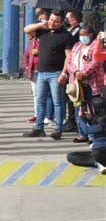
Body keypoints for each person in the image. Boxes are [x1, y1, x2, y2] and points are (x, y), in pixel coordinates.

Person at [23, 10, 74, 140]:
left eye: (56, 21)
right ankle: (39, 128)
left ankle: (58, 129)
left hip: (56, 73)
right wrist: (42, 24)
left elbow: (69, 57)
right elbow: (26, 29)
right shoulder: (43, 31)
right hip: (41, 72)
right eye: (51, 20)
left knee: (58, 102)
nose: (53, 23)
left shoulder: (66, 36)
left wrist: (64, 73)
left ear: (62, 22)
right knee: (40, 101)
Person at [65, 25, 104, 142]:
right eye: (81, 34)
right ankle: (83, 133)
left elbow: (96, 62)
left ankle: (93, 134)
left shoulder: (96, 45)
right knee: (79, 109)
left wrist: (83, 73)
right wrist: (76, 72)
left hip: (92, 84)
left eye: (85, 34)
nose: (82, 37)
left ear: (91, 35)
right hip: (77, 85)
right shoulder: (76, 46)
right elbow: (69, 61)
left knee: (92, 110)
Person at [23, 33, 54, 124]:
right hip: (34, 71)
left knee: (47, 95)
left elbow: (51, 52)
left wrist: (39, 51)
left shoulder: (47, 40)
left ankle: (48, 116)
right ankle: (37, 115)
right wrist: (26, 67)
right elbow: (26, 55)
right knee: (36, 94)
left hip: (44, 71)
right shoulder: (32, 42)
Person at [63, 10, 83, 132]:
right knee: (68, 95)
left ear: (74, 20)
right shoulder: (68, 31)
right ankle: (70, 120)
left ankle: (75, 122)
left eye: (67, 18)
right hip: (68, 66)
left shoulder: (79, 32)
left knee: (76, 95)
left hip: (76, 67)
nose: (65, 20)